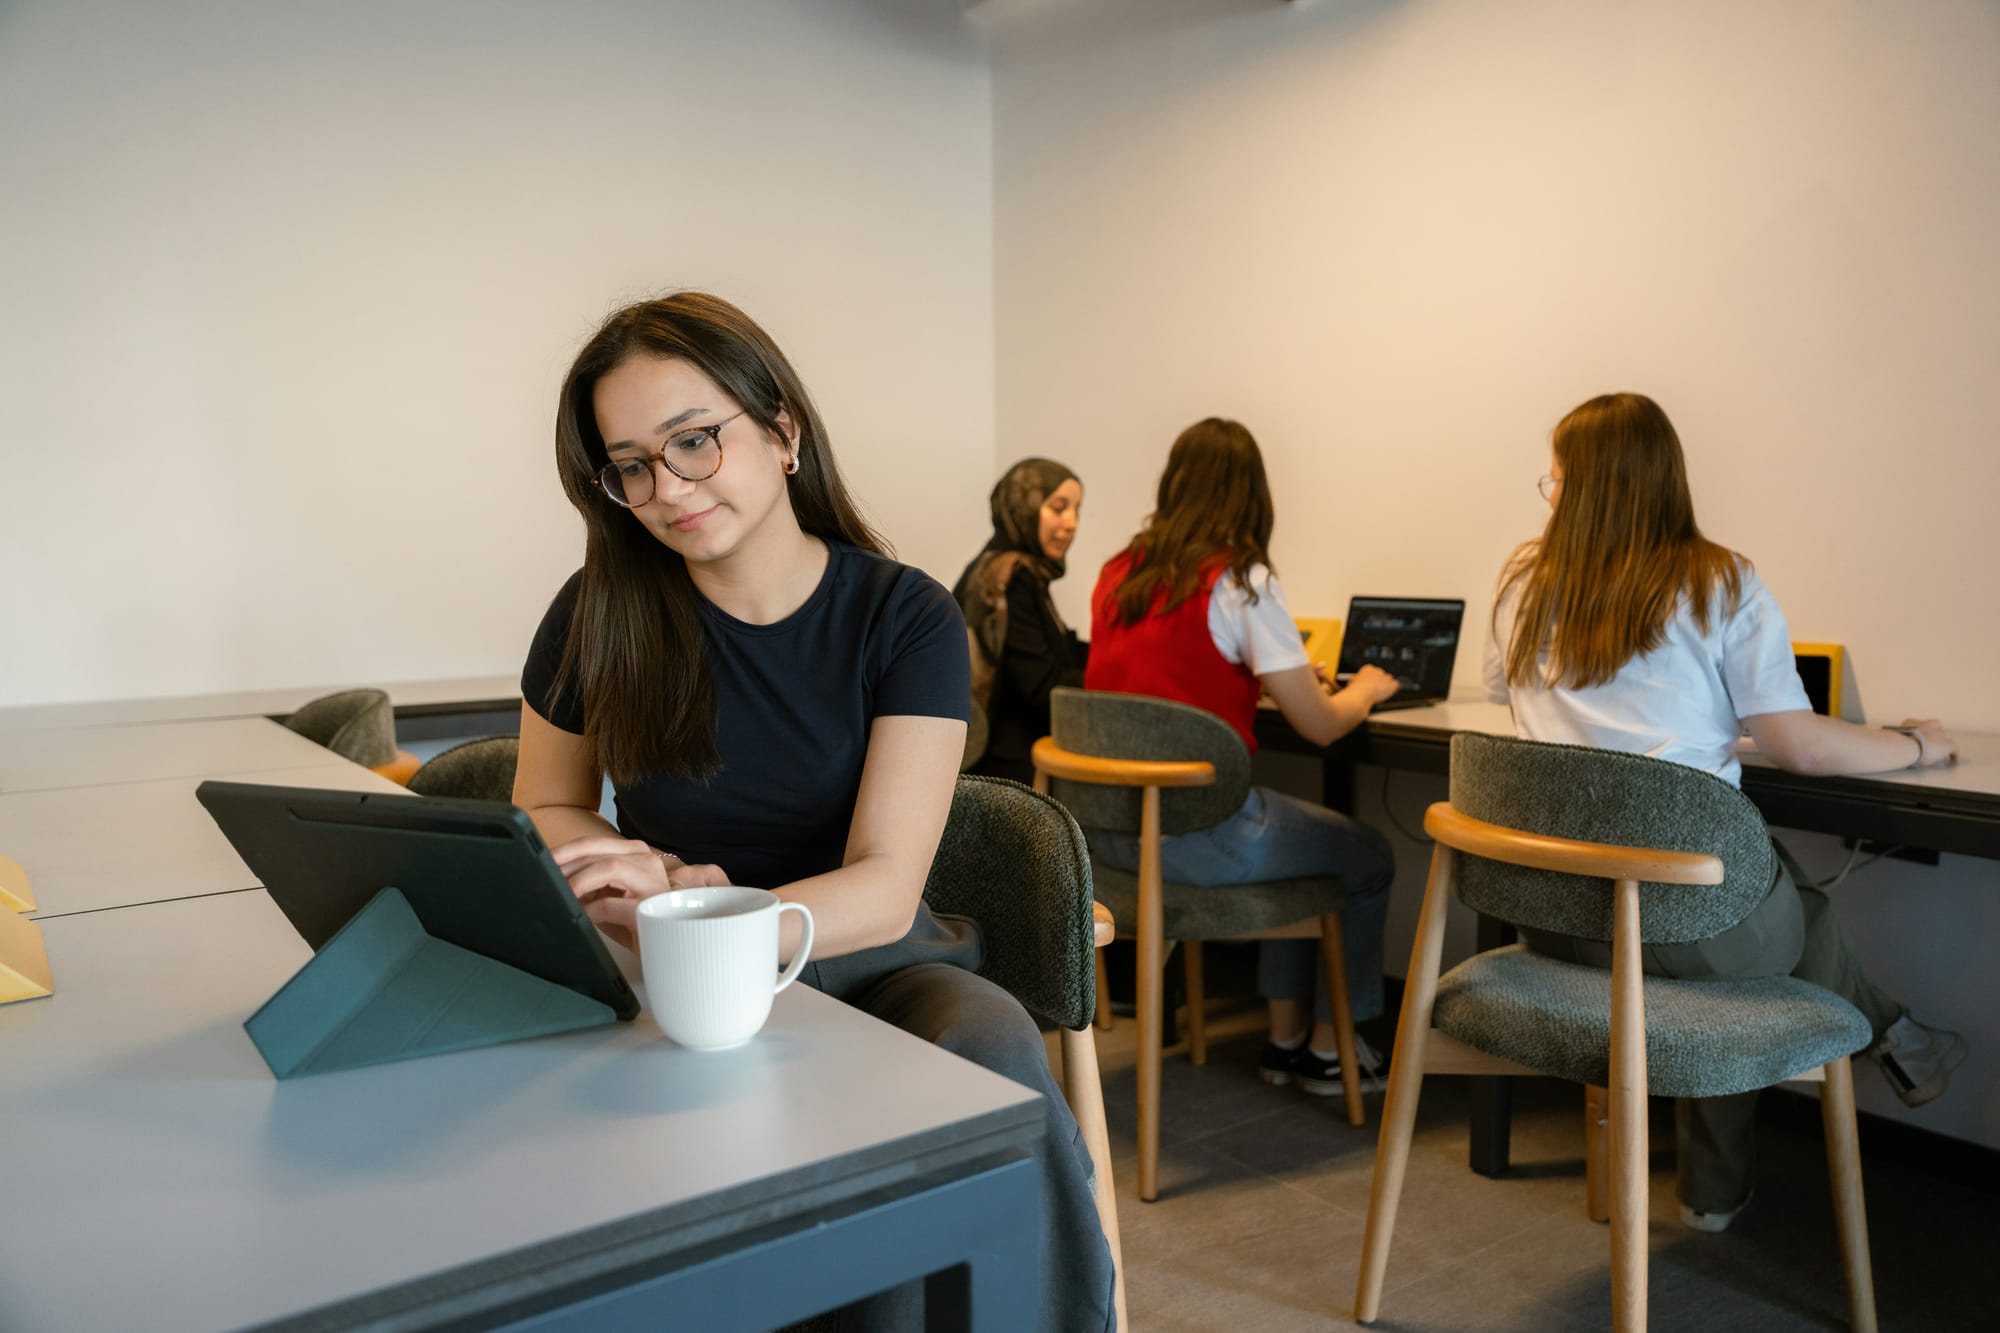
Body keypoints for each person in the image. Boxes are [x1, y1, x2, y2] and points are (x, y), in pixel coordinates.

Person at [512, 292, 1115, 1331]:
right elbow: (547, 803)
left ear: (782, 429)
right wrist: (633, 868)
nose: (668, 488)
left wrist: (722, 914)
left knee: (985, 1032)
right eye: (633, 467)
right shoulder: (597, 611)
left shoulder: (902, 614)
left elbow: (885, 885)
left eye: (693, 441)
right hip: (667, 965)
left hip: (861, 960)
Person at [1486, 390, 1967, 1232]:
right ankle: (1858, 1064)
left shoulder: (1523, 583)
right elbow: (1804, 748)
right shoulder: (1718, 580)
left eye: (1554, 479)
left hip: (1555, 920)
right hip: (1678, 927)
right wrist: (1918, 744)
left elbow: (1509, 701)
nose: (1550, 495)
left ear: (1585, 488)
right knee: (1774, 909)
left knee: (1741, 889)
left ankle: (1886, 1047)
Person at [1082, 418, 1403, 1094]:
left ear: (1173, 484)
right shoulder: (1238, 577)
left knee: (1296, 839)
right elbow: (1318, 727)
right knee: (1367, 855)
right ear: (1251, 495)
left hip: (1111, 840)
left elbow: (1161, 678)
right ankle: (1327, 1048)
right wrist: (1367, 688)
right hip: (1195, 840)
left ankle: (1286, 1040)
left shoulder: (1120, 572)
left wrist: (1271, 672)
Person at [953, 458, 1088, 784]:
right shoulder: (1009, 578)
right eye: (1058, 508)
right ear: (1023, 509)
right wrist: (1113, 676)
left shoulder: (1015, 570)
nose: (1070, 523)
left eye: (1076, 510)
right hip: (1004, 768)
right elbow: (1040, 686)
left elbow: (1057, 650)